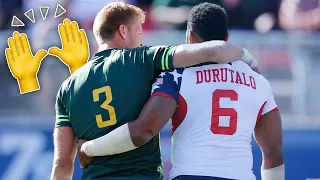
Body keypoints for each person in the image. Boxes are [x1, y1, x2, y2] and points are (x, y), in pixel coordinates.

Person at [51, 2, 258, 180]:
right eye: (139, 33)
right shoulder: (141, 59)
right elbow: (215, 50)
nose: (141, 41)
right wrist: (246, 56)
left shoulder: (67, 88)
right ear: (123, 31)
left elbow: (62, 165)